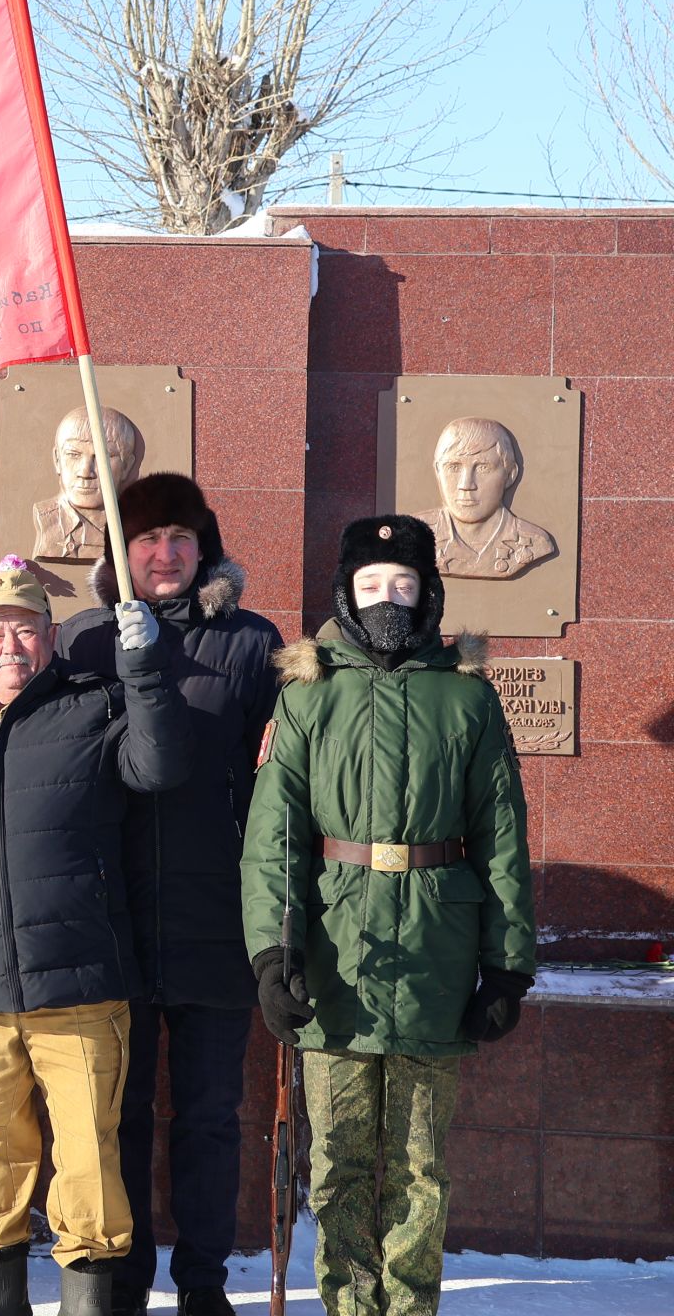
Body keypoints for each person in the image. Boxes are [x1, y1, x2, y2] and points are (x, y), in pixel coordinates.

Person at [0, 556, 192, 1316]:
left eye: (24, 628)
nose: (9, 644)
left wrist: (146, 672)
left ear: (50, 636)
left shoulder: (97, 707)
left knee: (89, 1153)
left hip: (80, 981)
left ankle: (89, 1300)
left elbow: (160, 765)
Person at [241, 515, 535, 1316]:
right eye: (370, 585)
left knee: (418, 1165)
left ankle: (409, 1309)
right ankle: (347, 1305)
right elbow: (275, 840)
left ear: (429, 592)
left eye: (402, 585)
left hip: (437, 958)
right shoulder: (309, 694)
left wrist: (507, 965)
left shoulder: (467, 697)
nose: (387, 600)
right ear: (345, 592)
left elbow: (502, 834)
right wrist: (274, 956)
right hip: (336, 959)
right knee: (337, 1162)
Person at [55, 475, 281, 1316]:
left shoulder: (253, 644)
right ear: (121, 551)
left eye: (183, 538)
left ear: (206, 548)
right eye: (148, 537)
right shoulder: (81, 642)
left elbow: (278, 791)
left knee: (210, 1118)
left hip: (215, 918)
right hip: (108, 919)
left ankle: (204, 1285)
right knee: (115, 1114)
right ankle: (122, 1281)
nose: (165, 553)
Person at [412, 417, 556, 579]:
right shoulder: (410, 534)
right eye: (453, 467)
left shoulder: (534, 542)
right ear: (438, 471)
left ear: (510, 475)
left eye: (482, 468)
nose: (466, 484)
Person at [30, 405, 145, 562]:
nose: (85, 472)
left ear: (126, 466)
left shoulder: (140, 528)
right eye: (73, 454)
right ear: (57, 460)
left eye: (103, 456)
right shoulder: (46, 519)